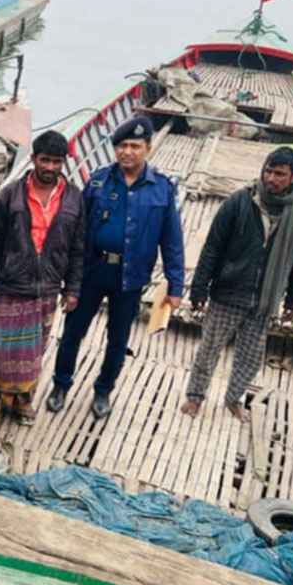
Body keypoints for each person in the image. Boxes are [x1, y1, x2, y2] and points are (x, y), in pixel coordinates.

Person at [49, 116, 185, 419]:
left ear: (148, 148)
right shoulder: (98, 181)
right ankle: (60, 385)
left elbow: (172, 241)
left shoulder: (162, 189)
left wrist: (175, 286)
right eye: (122, 146)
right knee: (72, 332)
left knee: (118, 339)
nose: (127, 152)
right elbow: (77, 232)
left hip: (131, 276)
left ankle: (103, 390)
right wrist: (68, 276)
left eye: (135, 146)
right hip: (92, 271)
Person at [183, 145, 293, 421]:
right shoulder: (240, 202)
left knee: (250, 357)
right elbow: (212, 247)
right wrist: (199, 288)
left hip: (265, 299)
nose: (271, 178)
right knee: (209, 349)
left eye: (280, 174)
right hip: (228, 292)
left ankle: (234, 399)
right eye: (268, 171)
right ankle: (195, 397)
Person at [0, 131, 85, 424]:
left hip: (48, 286)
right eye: (45, 160)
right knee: (3, 348)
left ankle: (23, 400)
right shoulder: (10, 194)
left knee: (33, 351)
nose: (50, 167)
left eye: (56, 162)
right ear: (34, 159)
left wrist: (72, 289)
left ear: (64, 162)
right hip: (12, 283)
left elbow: (78, 248)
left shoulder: (74, 198)